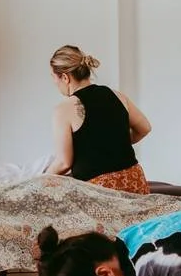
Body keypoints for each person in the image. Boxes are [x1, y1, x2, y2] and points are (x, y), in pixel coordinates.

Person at [46, 46, 152, 194]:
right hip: (135, 182)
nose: (54, 83)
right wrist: (113, 143)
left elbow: (64, 163)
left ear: (65, 77)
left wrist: (41, 179)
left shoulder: (63, 109)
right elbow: (145, 128)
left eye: (53, 77)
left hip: (100, 190)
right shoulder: (117, 95)